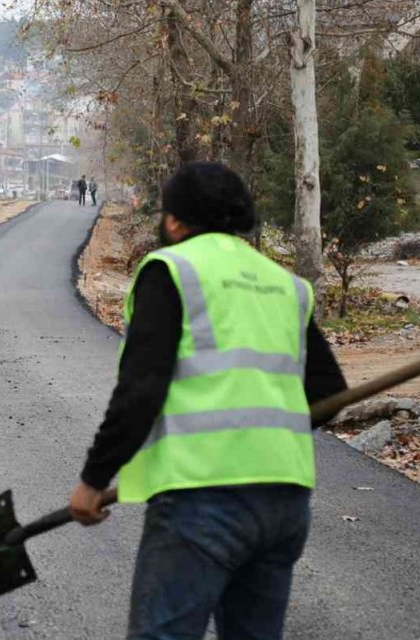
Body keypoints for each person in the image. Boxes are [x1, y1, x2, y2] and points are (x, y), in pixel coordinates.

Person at [68, 162, 346, 639]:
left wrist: (93, 479)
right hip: (285, 499)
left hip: (202, 497)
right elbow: (328, 394)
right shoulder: (284, 284)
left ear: (174, 220)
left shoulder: (172, 270)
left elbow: (141, 389)